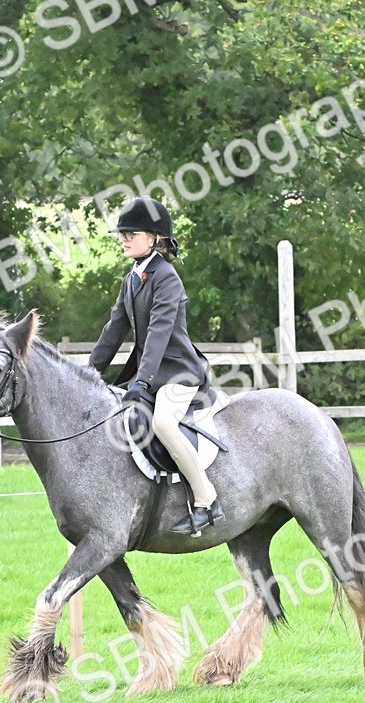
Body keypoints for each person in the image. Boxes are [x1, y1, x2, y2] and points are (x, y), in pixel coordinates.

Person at [88, 197, 224, 534]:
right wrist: (88, 373)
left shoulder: (167, 278)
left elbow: (160, 334)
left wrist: (142, 382)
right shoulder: (132, 278)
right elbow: (114, 329)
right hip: (149, 374)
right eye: (123, 233)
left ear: (154, 238)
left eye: (131, 233)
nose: (124, 238)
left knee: (163, 423)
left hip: (178, 372)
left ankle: (207, 499)